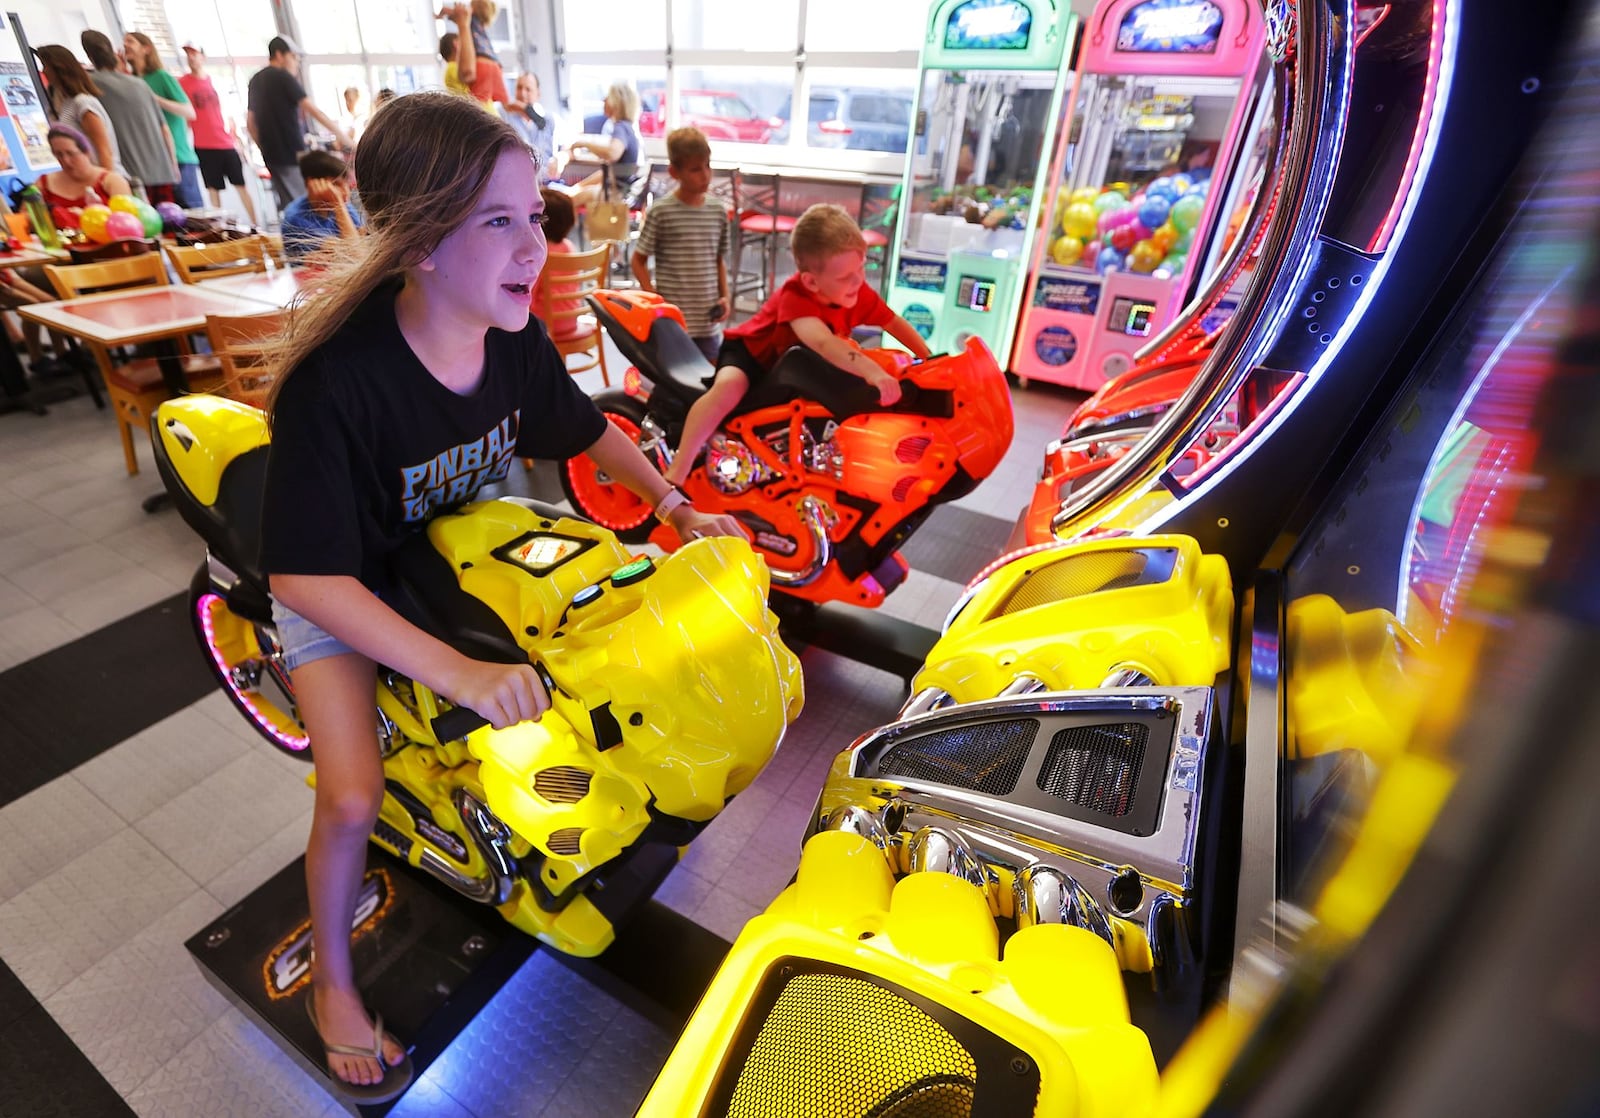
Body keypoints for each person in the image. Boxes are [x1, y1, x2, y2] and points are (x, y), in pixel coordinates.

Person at [257, 91, 740, 1102]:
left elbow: (580, 428)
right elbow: (302, 574)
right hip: (343, 582)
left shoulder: (512, 339)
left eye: (535, 217)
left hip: (455, 558)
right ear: (423, 244)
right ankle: (334, 985)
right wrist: (464, 671)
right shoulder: (337, 384)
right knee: (351, 791)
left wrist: (671, 502)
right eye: (499, 223)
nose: (536, 246)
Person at [665, 204, 934, 486]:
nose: (858, 281)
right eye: (845, 277)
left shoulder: (856, 291)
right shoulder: (796, 296)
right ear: (811, 281)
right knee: (729, 388)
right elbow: (822, 341)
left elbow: (892, 322)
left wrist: (928, 358)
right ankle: (677, 472)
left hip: (794, 366)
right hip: (752, 356)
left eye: (862, 268)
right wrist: (874, 372)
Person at [630, 127, 729, 365]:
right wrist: (654, 298)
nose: (705, 175)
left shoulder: (718, 211)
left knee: (709, 380)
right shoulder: (662, 212)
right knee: (672, 381)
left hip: (707, 322)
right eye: (696, 169)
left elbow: (718, 260)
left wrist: (725, 297)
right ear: (675, 172)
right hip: (673, 321)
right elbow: (638, 260)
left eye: (707, 165)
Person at [248, 36, 354, 209]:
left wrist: (264, 148)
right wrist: (347, 140)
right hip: (291, 155)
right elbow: (314, 111)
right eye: (293, 57)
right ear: (279, 55)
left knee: (289, 207)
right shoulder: (284, 77)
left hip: (270, 156)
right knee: (305, 208)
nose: (296, 63)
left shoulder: (255, 80)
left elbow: (251, 123)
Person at [80, 30, 178, 200]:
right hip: (162, 172)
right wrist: (173, 166)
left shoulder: (90, 83)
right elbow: (165, 130)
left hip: (131, 177)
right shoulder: (140, 84)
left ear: (89, 55)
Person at [178, 43, 257, 224]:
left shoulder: (215, 82)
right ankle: (219, 229)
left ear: (202, 57)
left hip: (226, 143)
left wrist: (237, 139)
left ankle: (255, 225)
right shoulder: (182, 84)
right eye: (188, 54)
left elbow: (228, 113)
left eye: (194, 54)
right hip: (204, 146)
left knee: (241, 185)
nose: (191, 57)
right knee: (213, 189)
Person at [123, 31, 202, 209]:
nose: (125, 45)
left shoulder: (161, 77)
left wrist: (155, 99)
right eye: (124, 42)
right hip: (151, 163)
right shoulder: (130, 82)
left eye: (130, 41)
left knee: (192, 217)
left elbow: (189, 112)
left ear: (146, 49)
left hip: (179, 159)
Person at [34, 45, 124, 178]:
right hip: (85, 179)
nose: (44, 71)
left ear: (59, 68)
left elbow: (104, 150)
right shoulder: (61, 104)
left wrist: (105, 183)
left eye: (46, 65)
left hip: (104, 177)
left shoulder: (83, 103)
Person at [557, 82, 641, 210]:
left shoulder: (621, 128)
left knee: (566, 203)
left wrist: (583, 143)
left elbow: (613, 153)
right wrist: (577, 188)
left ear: (617, 102)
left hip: (618, 195)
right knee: (572, 196)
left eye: (608, 97)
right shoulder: (627, 128)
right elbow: (608, 173)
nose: (604, 100)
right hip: (621, 193)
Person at [280, 149, 362, 265]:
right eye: (335, 184)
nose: (345, 191)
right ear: (312, 183)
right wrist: (338, 205)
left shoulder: (343, 206)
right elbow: (356, 253)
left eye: (346, 184)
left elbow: (362, 242)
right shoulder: (295, 217)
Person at [438, 4, 508, 115]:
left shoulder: (452, 69)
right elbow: (468, 73)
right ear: (457, 44)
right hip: (482, 119)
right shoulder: (452, 69)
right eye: (464, 39)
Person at [529, 187, 580, 340]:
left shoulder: (540, 254)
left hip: (544, 324)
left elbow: (529, 297)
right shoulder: (569, 247)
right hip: (571, 320)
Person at [506, 72, 556, 179]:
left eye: (528, 89)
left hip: (545, 180)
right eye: (519, 88)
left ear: (538, 94)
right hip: (515, 179)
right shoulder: (505, 117)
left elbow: (567, 146)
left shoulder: (548, 119)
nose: (522, 94)